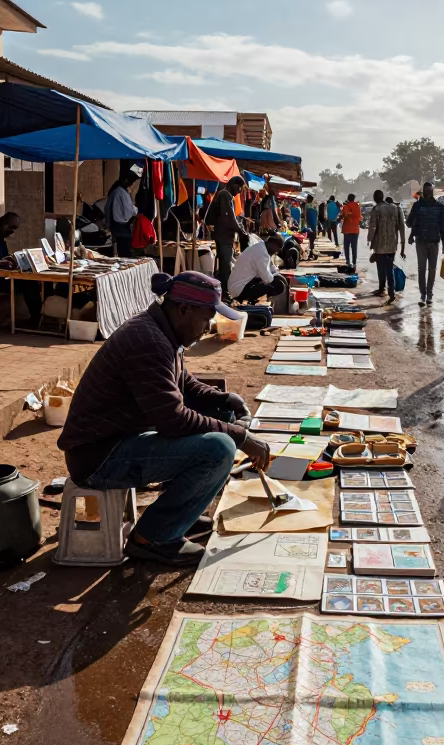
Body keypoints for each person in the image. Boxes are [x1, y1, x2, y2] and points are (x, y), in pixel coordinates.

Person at [58, 270, 271, 566]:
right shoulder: (148, 341)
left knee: (220, 416)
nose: (209, 326)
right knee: (219, 449)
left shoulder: (162, 331)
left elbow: (185, 385)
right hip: (99, 458)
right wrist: (241, 437)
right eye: (207, 317)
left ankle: (178, 516)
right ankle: (154, 536)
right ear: (184, 309)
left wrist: (224, 400)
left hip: (119, 440)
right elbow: (173, 420)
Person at [204, 175, 247, 295]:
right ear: (234, 185)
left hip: (225, 236)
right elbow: (228, 218)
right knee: (225, 265)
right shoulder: (225, 195)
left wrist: (240, 225)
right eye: (239, 189)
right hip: (223, 236)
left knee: (224, 263)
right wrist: (240, 230)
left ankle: (222, 291)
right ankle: (224, 292)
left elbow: (231, 217)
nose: (239, 192)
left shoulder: (226, 196)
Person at [406, 182, 444, 307]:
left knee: (433, 270)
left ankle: (429, 294)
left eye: (430, 190)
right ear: (423, 192)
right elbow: (410, 222)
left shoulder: (439, 206)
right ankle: (423, 295)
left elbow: (442, 227)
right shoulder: (417, 206)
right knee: (422, 269)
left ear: (432, 191)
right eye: (427, 191)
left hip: (435, 241)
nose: (429, 193)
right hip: (421, 242)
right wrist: (412, 234)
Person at [367, 189, 406, 304]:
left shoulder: (376, 209)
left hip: (380, 244)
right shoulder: (394, 208)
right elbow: (401, 227)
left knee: (382, 268)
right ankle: (390, 290)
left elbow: (373, 227)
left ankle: (384, 289)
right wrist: (402, 245)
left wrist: (370, 240)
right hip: (392, 244)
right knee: (389, 266)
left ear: (375, 198)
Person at [228, 233, 288, 303]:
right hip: (239, 289)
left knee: (273, 281)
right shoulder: (261, 253)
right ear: (273, 245)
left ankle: (255, 298)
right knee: (278, 286)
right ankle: (253, 299)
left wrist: (277, 274)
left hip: (239, 286)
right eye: (276, 250)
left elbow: (271, 267)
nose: (276, 252)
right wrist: (278, 277)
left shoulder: (260, 247)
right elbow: (268, 278)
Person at [104, 169, 139, 257]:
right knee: (124, 251)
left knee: (121, 249)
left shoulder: (117, 191)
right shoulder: (121, 192)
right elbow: (129, 211)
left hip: (117, 225)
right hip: (121, 226)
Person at [340, 193, 362, 268]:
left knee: (346, 247)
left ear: (348, 199)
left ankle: (348, 262)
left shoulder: (346, 206)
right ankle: (354, 263)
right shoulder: (358, 207)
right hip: (355, 230)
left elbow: (344, 215)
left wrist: (341, 216)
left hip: (347, 230)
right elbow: (359, 217)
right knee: (354, 247)